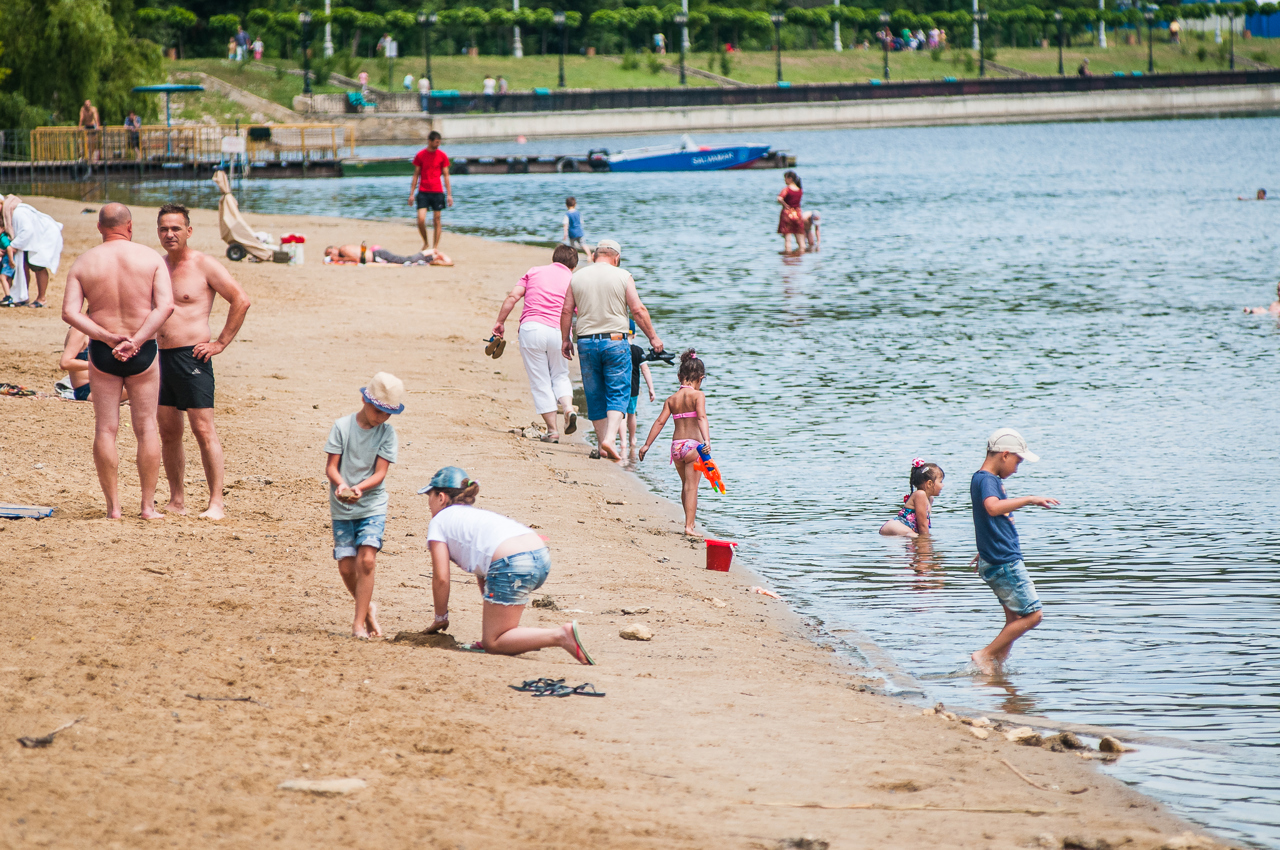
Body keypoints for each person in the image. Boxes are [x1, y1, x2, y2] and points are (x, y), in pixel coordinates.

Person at [60, 203, 175, 520]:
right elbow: (165, 308)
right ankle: (148, 507)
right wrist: (136, 341)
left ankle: (113, 508)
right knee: (146, 427)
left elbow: (69, 313)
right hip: (143, 351)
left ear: (99, 227)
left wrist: (109, 339)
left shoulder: (84, 262)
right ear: (130, 226)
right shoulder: (150, 258)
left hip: (102, 352)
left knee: (106, 429)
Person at [418, 466, 596, 664]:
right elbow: (484, 570)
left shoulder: (439, 522)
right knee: (497, 634)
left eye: (429, 496)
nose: (428, 503)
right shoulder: (476, 516)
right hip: (540, 556)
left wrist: (440, 617)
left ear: (441, 497)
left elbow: (441, 577)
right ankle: (518, 638)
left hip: (513, 564)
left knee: (493, 643)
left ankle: (561, 635)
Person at [155, 204, 251, 520]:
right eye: (164, 229)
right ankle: (176, 500)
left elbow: (240, 299)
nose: (169, 234)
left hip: (191, 356)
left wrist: (220, 342)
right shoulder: (156, 266)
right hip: (160, 357)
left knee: (202, 429)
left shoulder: (203, 265)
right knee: (168, 432)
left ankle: (216, 503)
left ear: (189, 231)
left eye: (176, 228)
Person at [560, 239, 664, 461]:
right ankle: (609, 439)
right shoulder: (623, 275)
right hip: (615, 342)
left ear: (596, 255)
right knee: (618, 392)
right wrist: (653, 338)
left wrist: (565, 339)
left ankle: (601, 445)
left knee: (594, 393)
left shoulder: (577, 277)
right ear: (616, 258)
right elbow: (638, 309)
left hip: (586, 342)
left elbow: (567, 310)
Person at [969, 429, 1060, 675]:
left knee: (1014, 621)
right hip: (1004, 561)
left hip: (994, 556)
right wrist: (1029, 499)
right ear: (1005, 454)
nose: (1017, 469)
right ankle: (985, 655)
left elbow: (984, 520)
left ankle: (995, 671)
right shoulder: (988, 480)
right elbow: (992, 508)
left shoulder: (982, 479)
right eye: (1018, 461)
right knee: (1034, 616)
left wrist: (984, 549)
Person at [324, 373, 404, 639]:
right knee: (347, 566)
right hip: (342, 505)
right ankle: (367, 609)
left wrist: (361, 488)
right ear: (364, 400)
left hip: (372, 504)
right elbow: (331, 467)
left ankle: (358, 623)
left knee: (367, 560)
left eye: (387, 413)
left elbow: (381, 473)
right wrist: (342, 485)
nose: (381, 417)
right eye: (377, 410)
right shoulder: (342, 427)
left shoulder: (387, 433)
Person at [493, 244, 580, 442]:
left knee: (540, 380)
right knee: (560, 374)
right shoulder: (573, 280)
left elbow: (513, 296)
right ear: (573, 267)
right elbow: (579, 311)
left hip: (532, 329)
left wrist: (500, 322)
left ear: (554, 259)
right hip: (559, 331)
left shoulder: (534, 272)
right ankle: (567, 408)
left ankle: (552, 431)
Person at [638, 350, 709, 536]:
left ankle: (688, 522)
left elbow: (660, 422)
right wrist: (707, 440)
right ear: (700, 379)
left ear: (680, 376)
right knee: (692, 488)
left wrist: (646, 445)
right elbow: (701, 417)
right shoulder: (698, 396)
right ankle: (689, 526)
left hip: (676, 448)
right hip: (693, 447)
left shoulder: (671, 400)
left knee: (685, 485)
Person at [2, 194, 64, 308]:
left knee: (36, 264)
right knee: (23, 264)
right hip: (31, 239)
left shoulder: (18, 212)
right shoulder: (7, 213)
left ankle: (41, 299)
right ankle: (22, 297)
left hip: (44, 236)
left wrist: (13, 246)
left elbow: (27, 231)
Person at [880, 459, 944, 538]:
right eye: (940, 482)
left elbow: (925, 523)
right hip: (895, 526)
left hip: (906, 529)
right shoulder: (920, 494)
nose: (942, 485)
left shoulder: (930, 498)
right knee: (918, 538)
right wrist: (926, 539)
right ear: (930, 483)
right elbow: (922, 525)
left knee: (917, 538)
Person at [411, 131, 452, 252]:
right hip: (423, 191)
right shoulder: (420, 155)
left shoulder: (442, 155)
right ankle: (425, 242)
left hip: (437, 191)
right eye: (436, 142)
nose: (438, 145)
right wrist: (411, 194)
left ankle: (435, 246)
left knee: (437, 219)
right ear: (430, 141)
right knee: (421, 219)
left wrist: (449, 194)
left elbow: (446, 175)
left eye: (439, 142)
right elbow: (415, 175)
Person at [622, 337, 655, 453]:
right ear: (634, 334)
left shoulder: (617, 348)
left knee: (621, 414)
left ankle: (622, 442)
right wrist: (651, 388)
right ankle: (632, 439)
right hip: (633, 387)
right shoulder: (638, 351)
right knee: (631, 414)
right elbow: (645, 370)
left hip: (619, 386)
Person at [323, 243, 451, 266]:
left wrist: (338, 258)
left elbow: (358, 258)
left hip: (378, 255)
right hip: (376, 255)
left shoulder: (343, 250)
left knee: (404, 260)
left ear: (334, 248)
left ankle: (430, 252)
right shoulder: (344, 249)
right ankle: (431, 257)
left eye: (330, 252)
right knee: (403, 260)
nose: (331, 255)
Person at [58, 327, 94, 401]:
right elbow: (65, 363)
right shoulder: (79, 330)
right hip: (88, 390)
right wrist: (99, 366)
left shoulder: (94, 328)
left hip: (103, 385)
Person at [777, 171, 806, 254]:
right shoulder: (799, 190)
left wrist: (785, 205)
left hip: (787, 214)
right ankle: (801, 256)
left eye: (785, 178)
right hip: (798, 213)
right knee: (800, 239)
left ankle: (788, 257)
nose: (784, 181)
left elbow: (779, 198)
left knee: (788, 240)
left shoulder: (787, 189)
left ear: (790, 179)